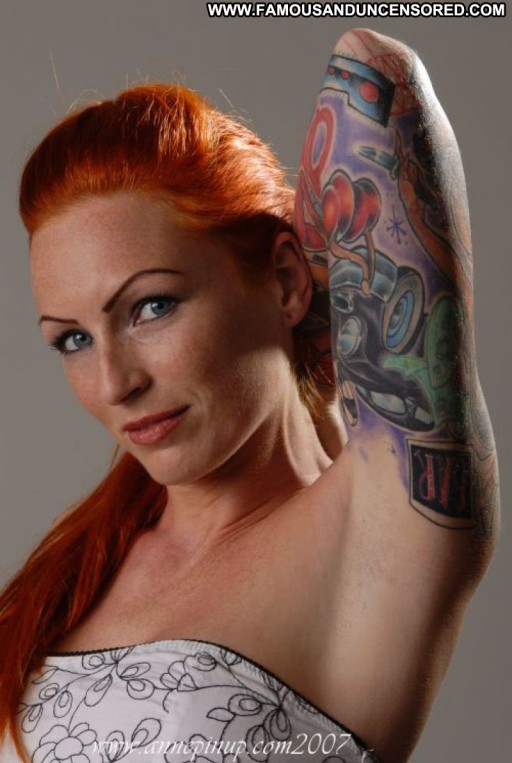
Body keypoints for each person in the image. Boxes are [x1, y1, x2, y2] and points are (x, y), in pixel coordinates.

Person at [0, 27, 499, 763]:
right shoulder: (75, 577)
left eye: (152, 306)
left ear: (288, 280)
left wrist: (317, 332)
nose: (114, 383)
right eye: (72, 339)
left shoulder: (378, 530)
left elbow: (374, 73)